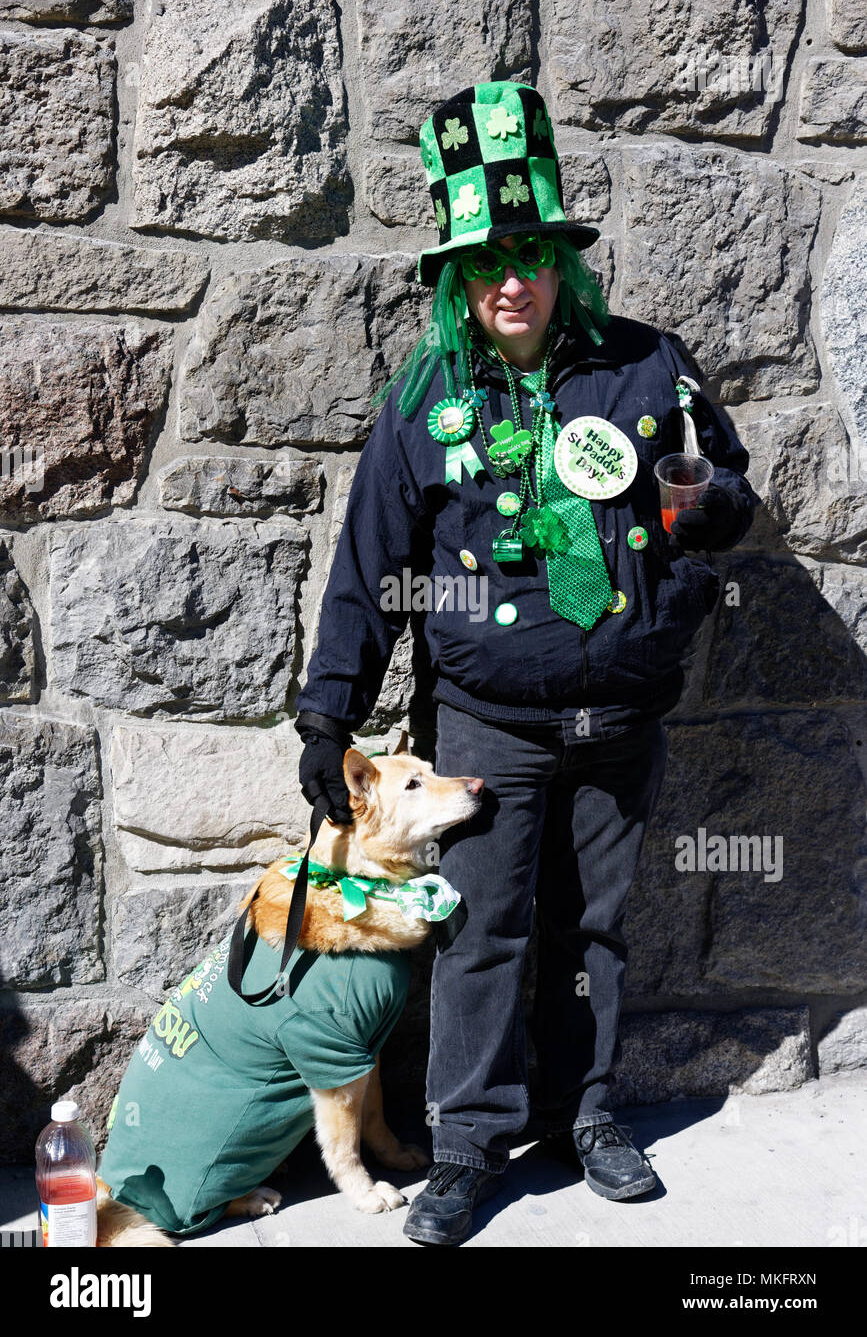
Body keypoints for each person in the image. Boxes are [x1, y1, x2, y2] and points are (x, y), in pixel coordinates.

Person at [294, 81, 758, 1246]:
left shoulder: (652, 367)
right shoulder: (423, 398)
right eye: (488, 257)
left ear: (563, 261)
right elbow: (370, 570)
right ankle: (466, 1143)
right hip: (487, 720)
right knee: (483, 927)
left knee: (596, 928)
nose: (513, 278)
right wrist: (326, 719)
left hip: (621, 709)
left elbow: (732, 481)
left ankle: (589, 1116)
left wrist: (711, 516)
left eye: (533, 252)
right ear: (459, 273)